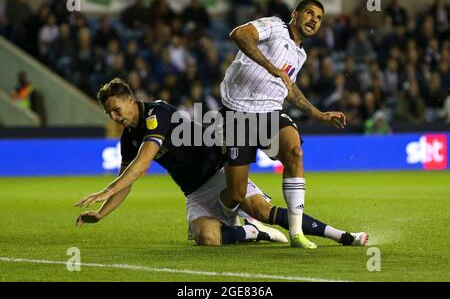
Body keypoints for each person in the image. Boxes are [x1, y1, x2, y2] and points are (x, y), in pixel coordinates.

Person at [74, 78, 368, 247]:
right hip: (195, 193)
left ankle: (342, 236)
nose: (115, 117)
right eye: (109, 114)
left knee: (259, 208)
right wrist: (102, 212)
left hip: (219, 173)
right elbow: (129, 179)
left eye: (116, 109)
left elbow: (142, 165)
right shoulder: (129, 137)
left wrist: (105, 190)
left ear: (128, 98)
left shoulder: (156, 114)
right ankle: (252, 232)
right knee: (207, 237)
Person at [218, 0, 347, 249]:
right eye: (309, 13)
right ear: (295, 14)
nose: (313, 20)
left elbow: (288, 88)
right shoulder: (274, 27)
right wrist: (272, 67)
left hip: (269, 112)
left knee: (295, 151)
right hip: (237, 114)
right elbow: (239, 34)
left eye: (319, 18)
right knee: (235, 194)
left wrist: (318, 114)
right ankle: (227, 219)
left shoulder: (300, 54)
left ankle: (296, 233)